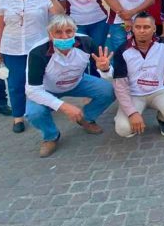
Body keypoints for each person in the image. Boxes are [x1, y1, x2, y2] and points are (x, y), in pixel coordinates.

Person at [25, 15, 115, 157]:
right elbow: (32, 90)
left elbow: (108, 74)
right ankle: (51, 136)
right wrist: (64, 106)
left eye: (69, 31)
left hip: (77, 81)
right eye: (58, 33)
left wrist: (105, 68)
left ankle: (86, 118)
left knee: (108, 90)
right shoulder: (38, 52)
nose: (64, 36)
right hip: (47, 89)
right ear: (50, 34)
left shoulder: (86, 42)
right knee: (34, 113)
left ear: (75, 31)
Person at [0, 0, 65, 133]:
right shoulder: (3, 2)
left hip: (38, 48)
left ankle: (42, 110)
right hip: (12, 49)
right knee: (15, 83)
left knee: (41, 80)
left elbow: (60, 15)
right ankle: (18, 116)